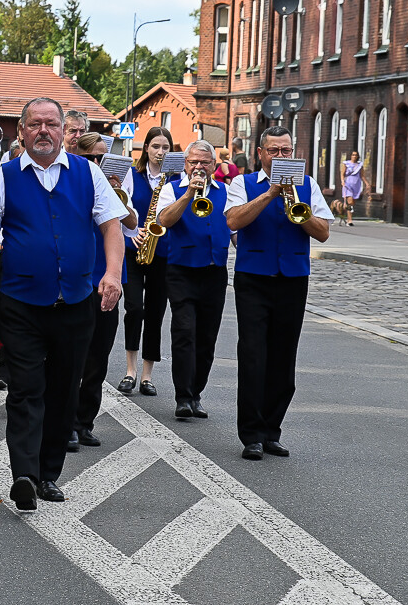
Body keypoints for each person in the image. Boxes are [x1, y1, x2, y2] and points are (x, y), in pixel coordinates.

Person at [0, 98, 126, 511]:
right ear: (21, 131)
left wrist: (111, 274)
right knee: (25, 389)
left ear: (62, 130)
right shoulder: (0, 177)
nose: (44, 131)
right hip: (20, 303)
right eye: (35, 124)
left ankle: (48, 474)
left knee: (62, 391)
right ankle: (23, 474)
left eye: (51, 124)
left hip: (75, 302)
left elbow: (112, 226)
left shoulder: (88, 173)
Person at [224, 126, 331, 460]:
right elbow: (232, 221)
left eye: (287, 151)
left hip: (293, 278)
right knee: (254, 354)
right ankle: (251, 434)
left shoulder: (308, 185)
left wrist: (298, 208)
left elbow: (324, 234)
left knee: (284, 360)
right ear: (261, 153)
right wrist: (271, 194)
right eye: (274, 151)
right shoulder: (243, 183)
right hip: (253, 278)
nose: (282, 157)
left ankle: (272, 430)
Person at [154, 139, 231, 421]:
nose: (199, 167)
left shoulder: (225, 190)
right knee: (184, 331)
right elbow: (164, 221)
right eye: (193, 162)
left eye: (205, 162)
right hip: (181, 270)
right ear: (185, 164)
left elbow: (234, 228)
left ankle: (196, 393)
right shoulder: (170, 189)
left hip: (214, 270)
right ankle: (183, 396)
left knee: (207, 336)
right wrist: (188, 194)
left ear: (214, 165)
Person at [68, 132, 136, 450]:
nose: (99, 164)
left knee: (99, 355)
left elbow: (132, 223)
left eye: (103, 158)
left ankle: (85, 421)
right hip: (77, 280)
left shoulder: (111, 187)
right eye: (94, 158)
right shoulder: (72, 182)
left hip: (106, 281)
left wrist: (115, 191)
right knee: (71, 356)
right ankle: (64, 422)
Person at [119, 126, 174, 398]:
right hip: (134, 248)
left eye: (165, 147)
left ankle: (147, 375)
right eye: (155, 147)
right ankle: (129, 370)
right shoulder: (132, 174)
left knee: (155, 312)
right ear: (146, 149)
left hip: (162, 252)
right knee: (134, 307)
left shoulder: (175, 178)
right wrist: (133, 232)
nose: (160, 152)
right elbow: (121, 208)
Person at [340, 151, 366, 226]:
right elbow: (342, 174)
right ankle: (349, 220)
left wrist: (366, 184)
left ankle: (347, 216)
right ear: (351, 156)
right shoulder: (346, 164)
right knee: (350, 202)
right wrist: (342, 181)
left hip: (356, 185)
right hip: (348, 184)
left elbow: (362, 175)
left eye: (356, 155)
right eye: (353, 155)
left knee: (352, 203)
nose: (354, 156)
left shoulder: (359, 165)